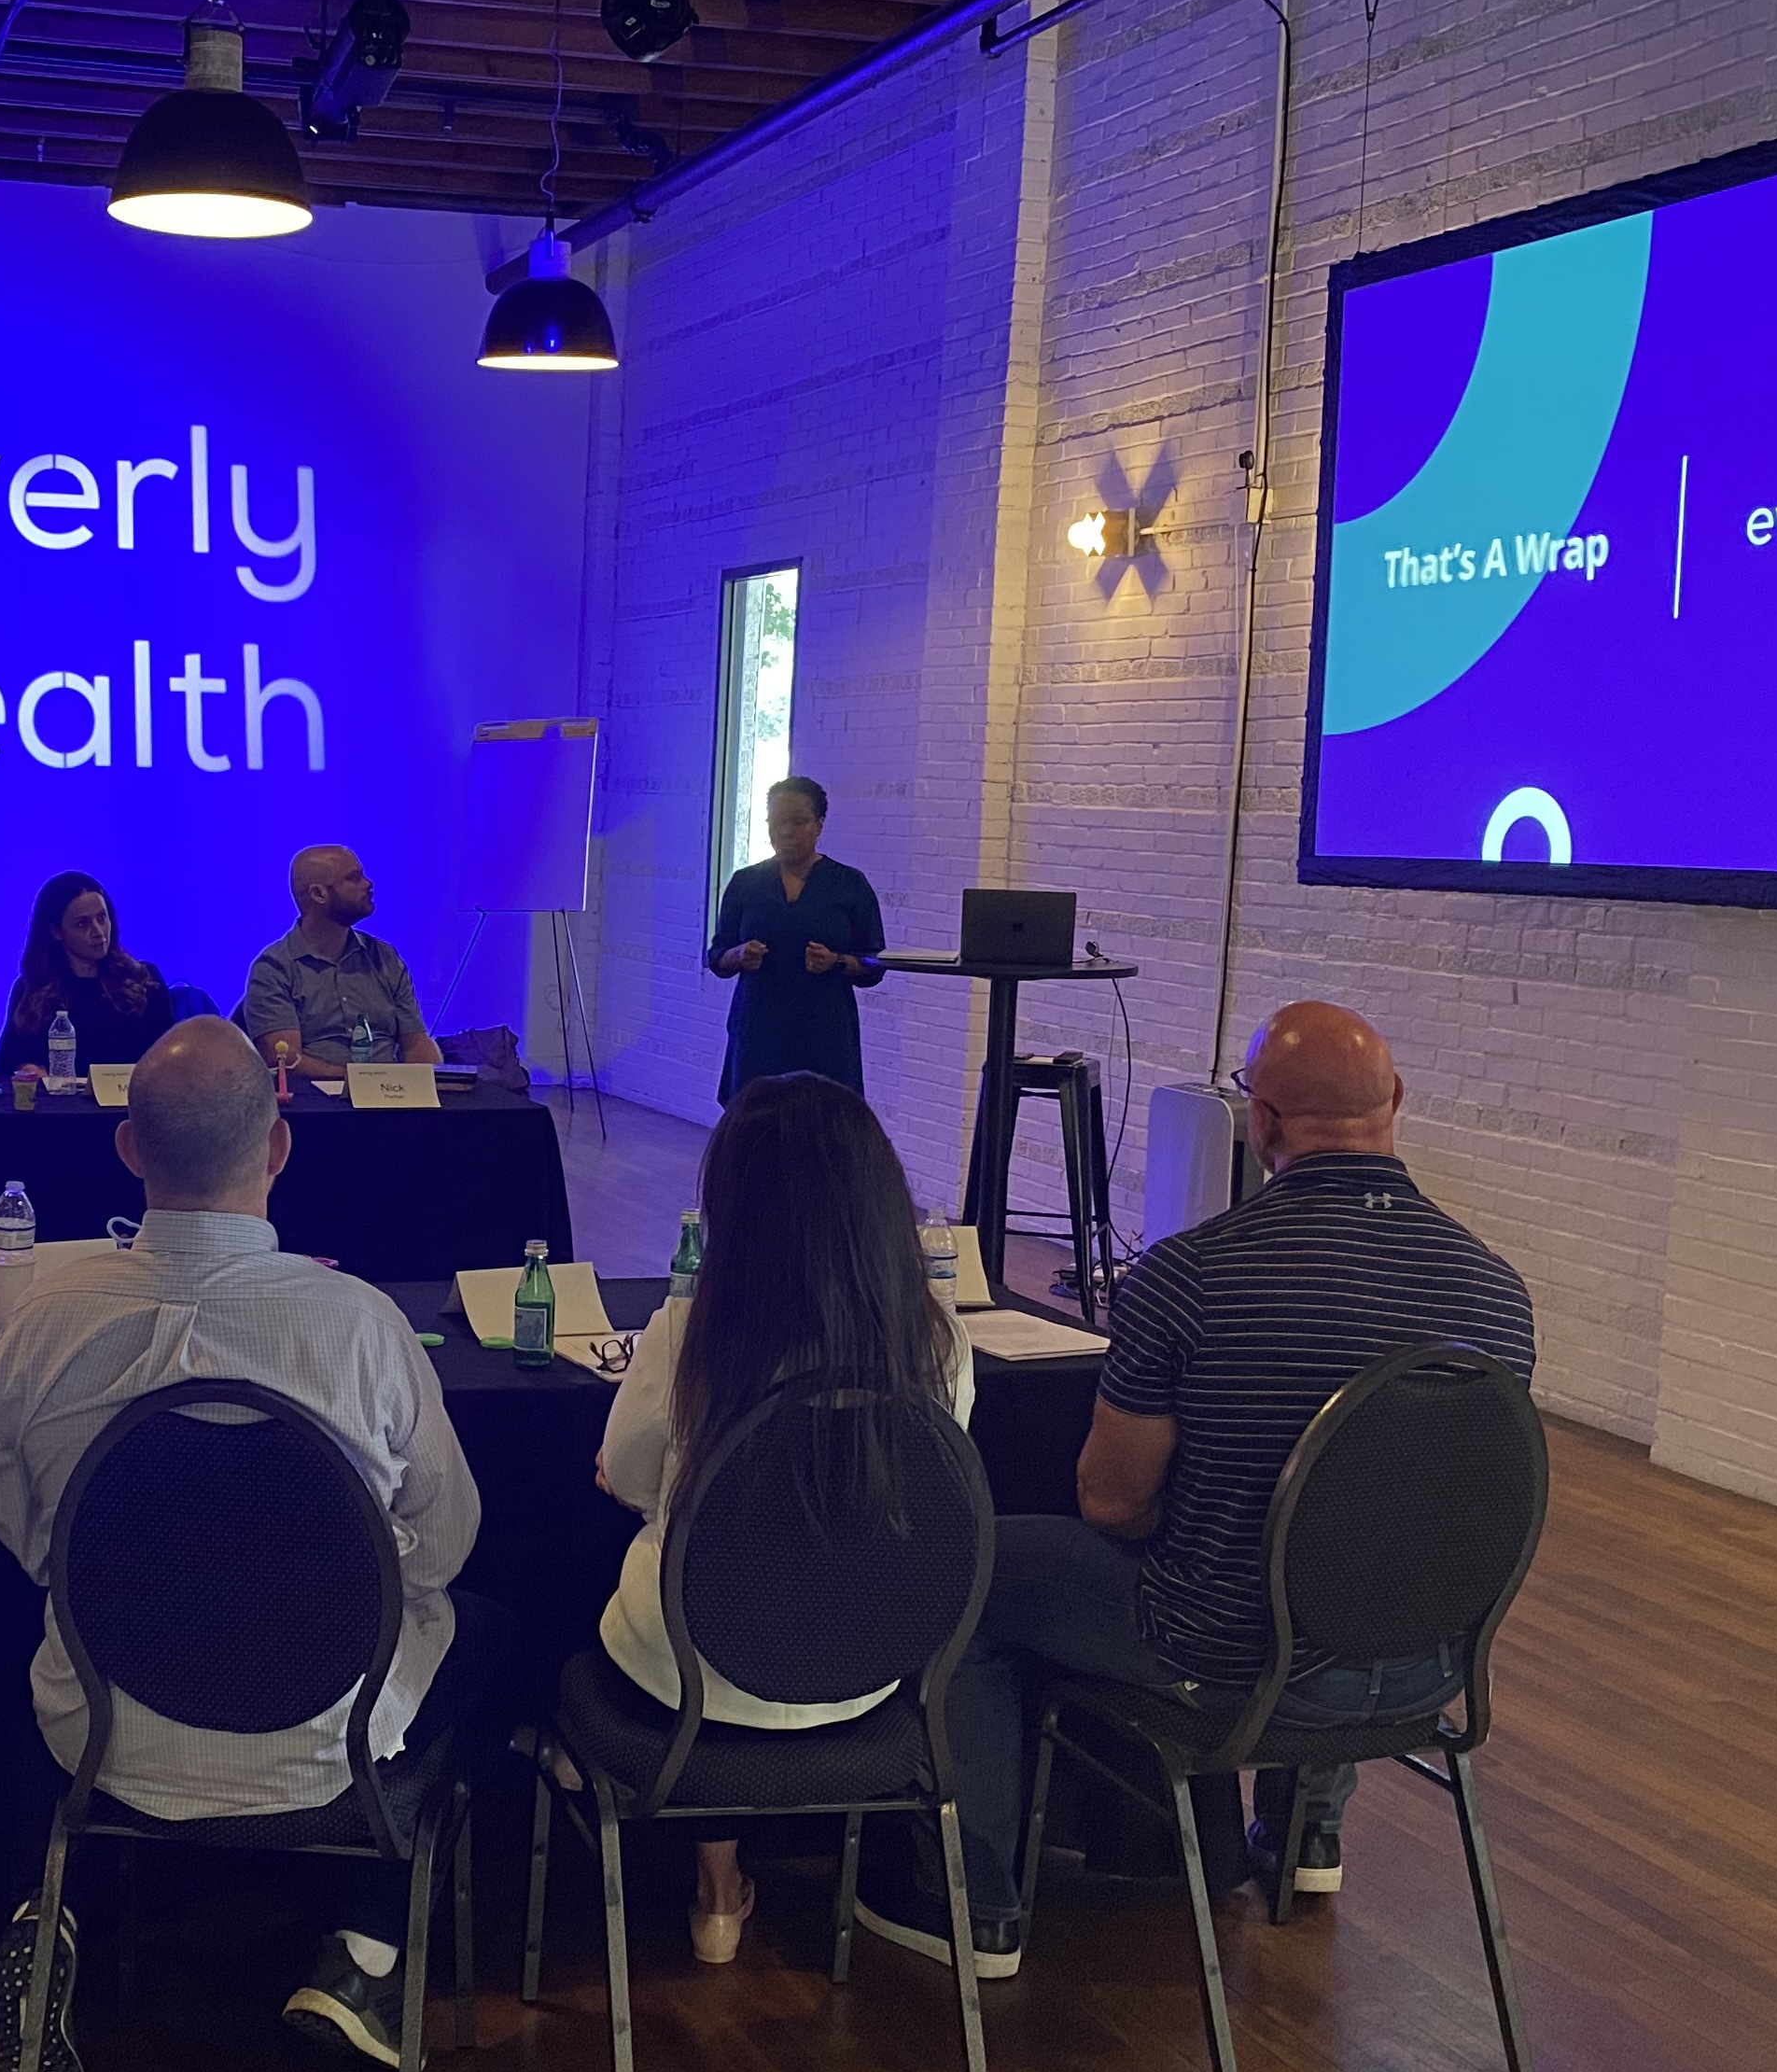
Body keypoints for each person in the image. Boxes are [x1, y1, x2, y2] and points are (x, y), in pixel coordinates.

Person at [858, 1001, 1537, 1976]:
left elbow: (1113, 1505)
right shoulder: (1497, 1294)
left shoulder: (1191, 1277)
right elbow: (1433, 1499)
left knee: (979, 1571)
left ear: (1258, 1123)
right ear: (1398, 1105)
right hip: (1430, 1665)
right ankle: (1306, 1841)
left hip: (1222, 1665)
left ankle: (975, 1902)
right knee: (1370, 1549)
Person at [0, 1015, 487, 2072]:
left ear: (126, 1149)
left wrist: (83, 1582)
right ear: (280, 1145)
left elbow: (2, 1494)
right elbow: (448, 1539)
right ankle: (368, 1943)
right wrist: (359, 1590)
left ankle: (53, 1908)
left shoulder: (48, 1321)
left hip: (109, 1737)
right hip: (322, 1748)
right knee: (482, 1638)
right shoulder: (359, 1326)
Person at [590, 1073, 973, 1967]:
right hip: (867, 1672)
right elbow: (934, 1485)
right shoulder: (938, 1342)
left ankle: (713, 1879)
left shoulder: (690, 1329)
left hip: (687, 1682)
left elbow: (630, 1475)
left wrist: (653, 1489)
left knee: (686, 1574)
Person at [706, 777, 889, 1099]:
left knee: (822, 1132)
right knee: (756, 1131)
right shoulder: (746, 883)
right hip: (758, 1031)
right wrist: (738, 955)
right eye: (776, 822)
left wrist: (837, 961)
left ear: (819, 826)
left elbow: (874, 964)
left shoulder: (849, 884)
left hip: (824, 1035)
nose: (786, 831)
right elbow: (717, 956)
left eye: (798, 821)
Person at [237, 847, 439, 1081]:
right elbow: (284, 1059)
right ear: (318, 894)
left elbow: (416, 1042)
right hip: (318, 1105)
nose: (368, 884)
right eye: (354, 878)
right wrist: (359, 1082)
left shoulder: (385, 957)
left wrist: (429, 1085)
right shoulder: (274, 968)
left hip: (392, 1098)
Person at [0, 872, 180, 1080]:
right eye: (83, 924)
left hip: (132, 1108)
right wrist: (28, 1072)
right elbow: (3, 1073)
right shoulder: (33, 991)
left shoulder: (144, 980)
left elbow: (171, 1062)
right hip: (61, 1110)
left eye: (102, 918)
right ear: (56, 932)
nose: (99, 932)